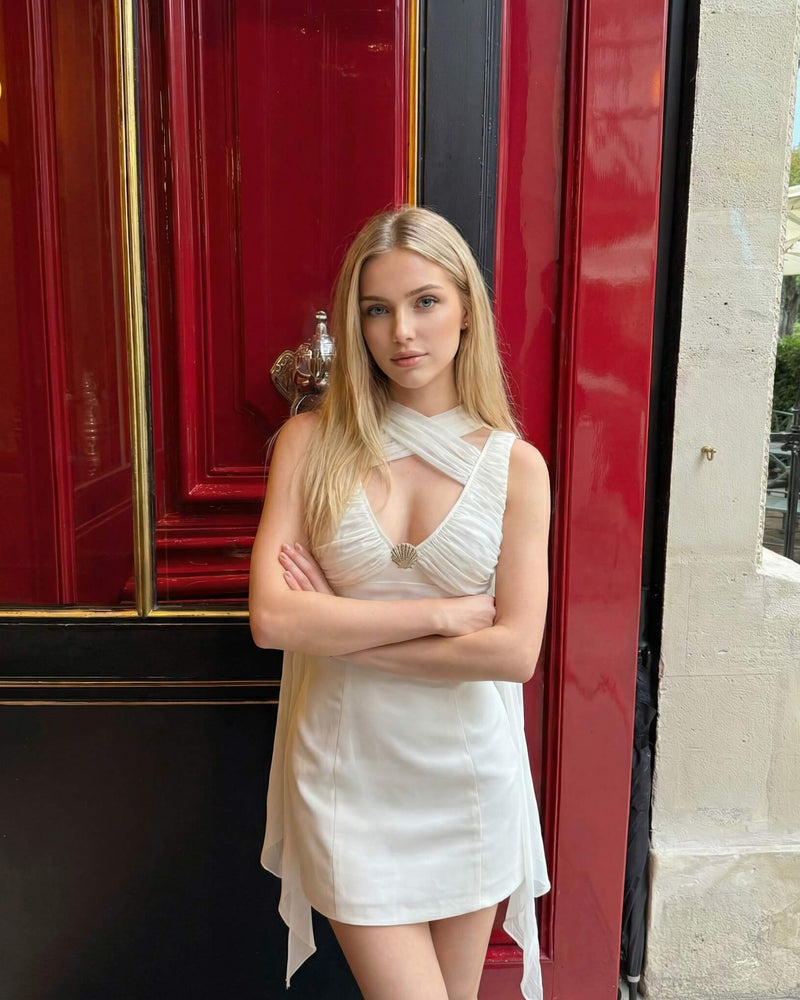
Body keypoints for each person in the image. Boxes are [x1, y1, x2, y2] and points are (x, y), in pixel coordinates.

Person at [248, 205, 551, 1000]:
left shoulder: (516, 467)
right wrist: (439, 614)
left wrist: (340, 631)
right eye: (376, 310)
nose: (402, 333)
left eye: (425, 302)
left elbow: (515, 652)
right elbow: (276, 620)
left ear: (464, 310)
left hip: (469, 780)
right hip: (349, 775)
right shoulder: (308, 445)